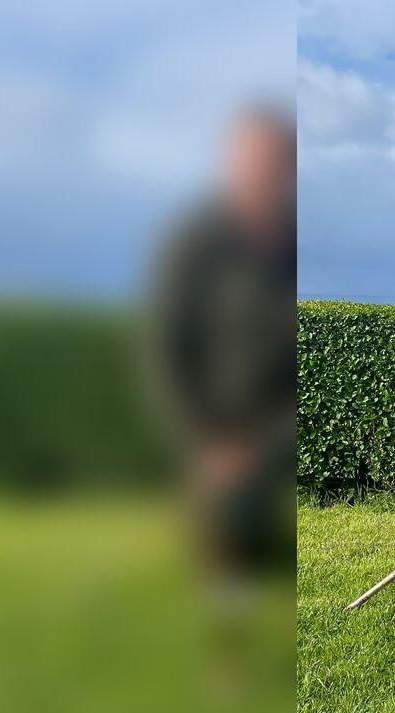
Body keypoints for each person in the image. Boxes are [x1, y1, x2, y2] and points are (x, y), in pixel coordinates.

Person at [148, 102, 297, 577]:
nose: (262, 174)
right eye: (251, 161)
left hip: (284, 428)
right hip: (217, 435)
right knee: (227, 553)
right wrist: (206, 441)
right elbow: (165, 352)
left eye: (274, 162)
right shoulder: (193, 241)